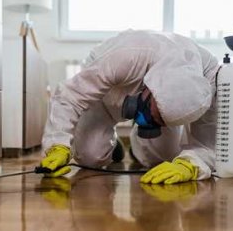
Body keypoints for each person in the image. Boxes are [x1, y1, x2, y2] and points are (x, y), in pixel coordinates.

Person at [39, 30, 219, 184]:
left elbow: (209, 143)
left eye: (159, 121)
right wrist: (58, 144)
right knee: (90, 157)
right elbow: (70, 95)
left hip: (152, 99)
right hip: (104, 94)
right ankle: (112, 145)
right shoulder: (129, 55)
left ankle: (137, 148)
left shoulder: (211, 79)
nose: (147, 120)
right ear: (151, 87)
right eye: (151, 112)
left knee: (162, 158)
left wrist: (191, 165)